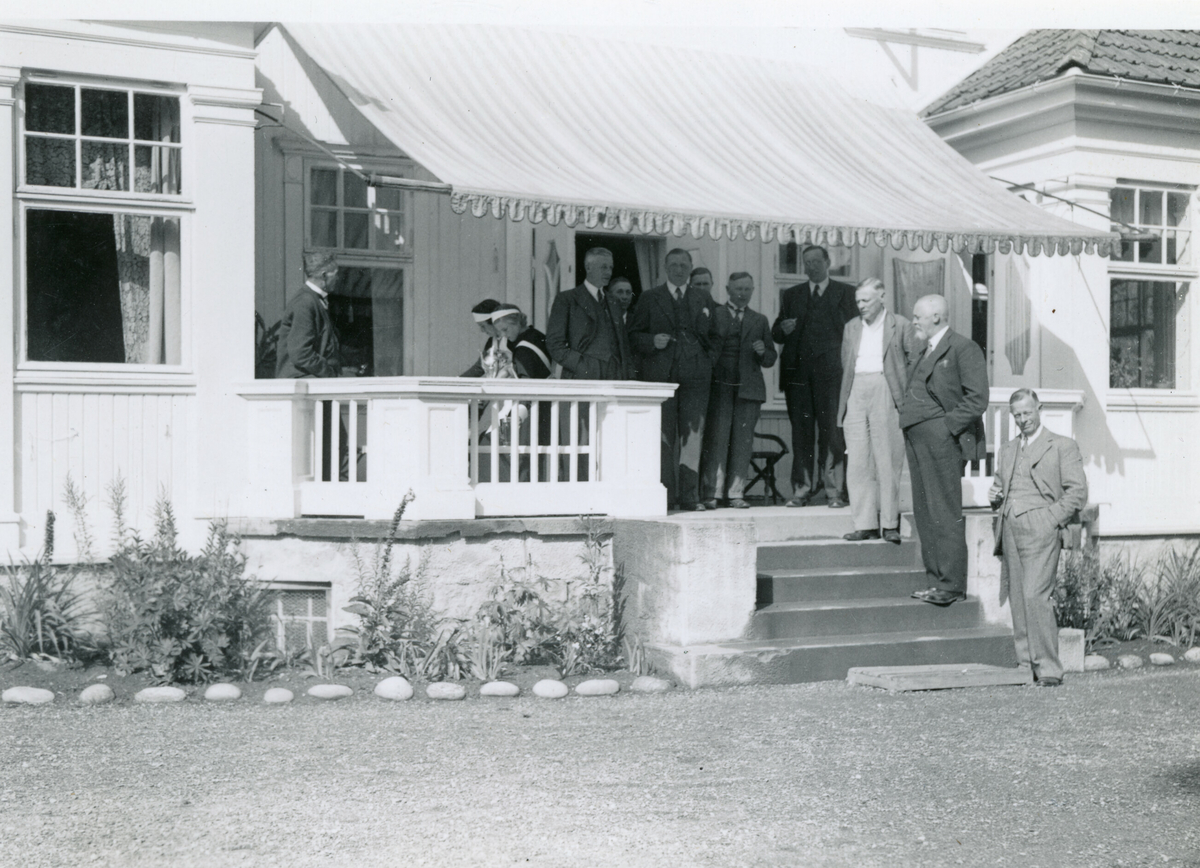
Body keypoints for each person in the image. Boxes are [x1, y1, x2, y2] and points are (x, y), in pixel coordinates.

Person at [988, 389, 1088, 687]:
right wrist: (995, 497)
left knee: (1035, 595)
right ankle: (1024, 665)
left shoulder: (1062, 446)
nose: (1022, 420)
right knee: (1018, 598)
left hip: (1041, 528)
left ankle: (1049, 668)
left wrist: (1050, 519)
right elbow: (999, 488)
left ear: (1039, 409)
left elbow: (1078, 492)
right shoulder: (1007, 450)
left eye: (1027, 413)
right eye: (1017, 415)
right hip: (1009, 527)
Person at [900, 294, 989, 607]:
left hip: (942, 441)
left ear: (936, 316)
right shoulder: (925, 350)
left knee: (944, 511)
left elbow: (977, 399)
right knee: (924, 512)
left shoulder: (964, 348)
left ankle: (950, 585)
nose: (913, 322)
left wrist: (946, 428)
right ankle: (935, 581)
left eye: (917, 317)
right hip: (916, 439)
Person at [629, 252, 720, 511]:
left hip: (696, 377)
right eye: (673, 265)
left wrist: (707, 361)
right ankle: (666, 496)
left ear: (691, 268)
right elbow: (633, 335)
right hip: (661, 377)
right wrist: (651, 341)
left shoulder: (702, 298)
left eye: (683, 265)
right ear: (664, 267)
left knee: (693, 437)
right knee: (663, 437)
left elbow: (715, 336)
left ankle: (690, 497)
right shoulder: (649, 298)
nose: (679, 270)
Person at [837, 278, 923, 543]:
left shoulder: (900, 325)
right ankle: (865, 524)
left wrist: (900, 388)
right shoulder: (851, 327)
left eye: (866, 300)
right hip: (855, 389)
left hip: (886, 388)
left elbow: (916, 360)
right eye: (858, 301)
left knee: (887, 458)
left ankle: (889, 524)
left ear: (882, 297)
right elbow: (846, 361)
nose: (861, 306)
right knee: (858, 461)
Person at [771, 245, 857, 509]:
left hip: (833, 378)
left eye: (816, 261)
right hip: (798, 379)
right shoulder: (792, 295)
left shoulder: (846, 293)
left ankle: (834, 492)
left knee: (832, 434)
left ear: (828, 262)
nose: (811, 267)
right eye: (806, 262)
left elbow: (854, 334)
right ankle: (801, 490)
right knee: (802, 434)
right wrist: (783, 330)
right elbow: (776, 332)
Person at [546, 247, 631, 480]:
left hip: (613, 380)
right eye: (603, 267)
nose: (608, 272)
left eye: (611, 267)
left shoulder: (612, 302)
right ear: (588, 267)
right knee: (579, 441)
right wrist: (586, 366)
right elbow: (554, 344)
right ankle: (579, 495)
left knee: (610, 439)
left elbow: (621, 345)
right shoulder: (568, 299)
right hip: (580, 380)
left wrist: (623, 376)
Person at [699, 272, 776, 509]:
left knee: (743, 442)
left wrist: (763, 351)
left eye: (747, 289)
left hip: (749, 390)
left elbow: (771, 358)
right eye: (738, 289)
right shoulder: (715, 314)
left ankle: (736, 493)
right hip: (720, 387)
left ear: (752, 290)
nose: (742, 294)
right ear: (727, 289)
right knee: (717, 439)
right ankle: (712, 493)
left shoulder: (760, 320)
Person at [276, 251, 342, 379]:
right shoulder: (305, 302)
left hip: (312, 382)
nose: (338, 278)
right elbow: (301, 353)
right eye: (336, 274)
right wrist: (329, 373)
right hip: (303, 385)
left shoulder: (314, 300)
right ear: (324, 276)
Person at [461, 298, 503, 377]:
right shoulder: (492, 342)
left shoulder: (512, 340)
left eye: (483, 326)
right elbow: (479, 367)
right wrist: (458, 380)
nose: (482, 330)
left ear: (494, 322)